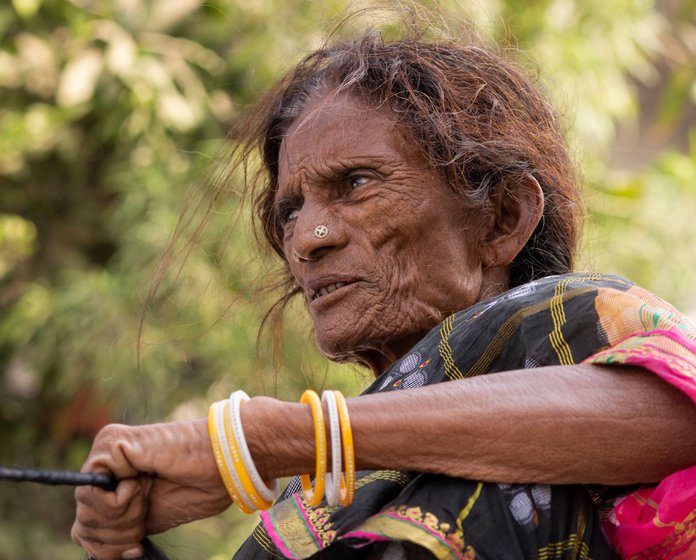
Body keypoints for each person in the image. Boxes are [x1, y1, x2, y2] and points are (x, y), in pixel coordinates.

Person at [72, 30, 696, 560]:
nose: (308, 238)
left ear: (503, 218)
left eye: (357, 183)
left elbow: (680, 418)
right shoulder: (324, 492)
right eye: (291, 210)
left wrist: (268, 437)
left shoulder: (572, 317)